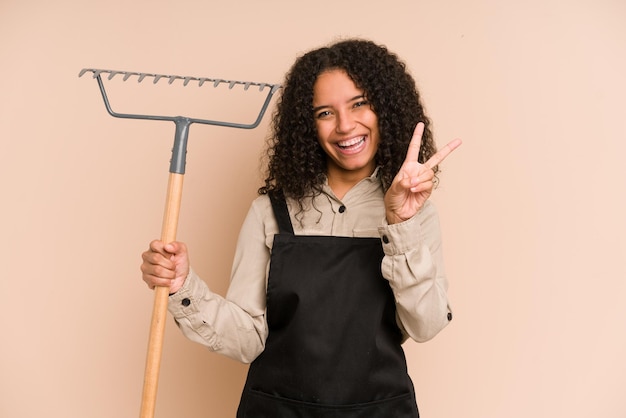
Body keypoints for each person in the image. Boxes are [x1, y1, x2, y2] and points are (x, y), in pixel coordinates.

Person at [141, 38, 461, 417]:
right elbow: (246, 339)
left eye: (359, 103)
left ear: (386, 108)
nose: (345, 126)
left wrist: (399, 224)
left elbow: (424, 326)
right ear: (307, 125)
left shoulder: (414, 214)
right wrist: (181, 286)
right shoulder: (271, 212)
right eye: (325, 112)